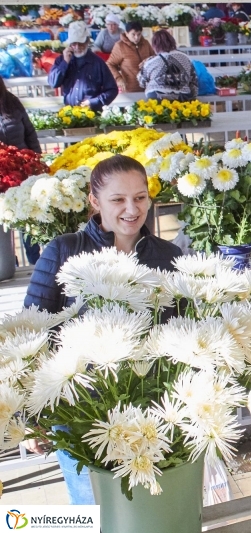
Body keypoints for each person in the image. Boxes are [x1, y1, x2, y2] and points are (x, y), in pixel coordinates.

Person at [24, 155, 182, 504]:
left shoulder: (168, 255)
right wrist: (31, 416)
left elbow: (181, 329)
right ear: (94, 201)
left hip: (150, 409)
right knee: (92, 509)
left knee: (149, 510)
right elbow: (32, 333)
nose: (132, 208)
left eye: (140, 197)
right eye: (118, 199)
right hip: (81, 411)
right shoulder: (64, 251)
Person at [0, 77, 41, 265]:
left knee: (27, 218)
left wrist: (36, 159)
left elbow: (30, 132)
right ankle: (8, 262)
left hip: (22, 171)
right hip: (2, 175)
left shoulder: (11, 102)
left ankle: (35, 262)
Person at [48, 21, 118, 112]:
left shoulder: (98, 62)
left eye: (80, 43)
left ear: (87, 41)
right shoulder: (62, 60)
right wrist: (65, 63)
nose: (77, 47)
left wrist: (93, 102)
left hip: (92, 113)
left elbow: (112, 90)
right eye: (74, 44)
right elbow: (53, 83)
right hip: (69, 113)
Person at [137, 30, 198, 102]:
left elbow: (141, 82)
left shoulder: (151, 61)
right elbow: (194, 80)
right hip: (182, 99)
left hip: (157, 99)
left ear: (154, 45)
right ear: (172, 41)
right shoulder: (185, 58)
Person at [106, 21, 155, 94]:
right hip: (130, 89)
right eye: (133, 34)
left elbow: (155, 58)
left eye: (139, 34)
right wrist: (118, 78)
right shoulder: (120, 46)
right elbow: (110, 64)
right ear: (126, 33)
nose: (136, 38)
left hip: (149, 87)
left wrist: (148, 60)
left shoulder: (146, 43)